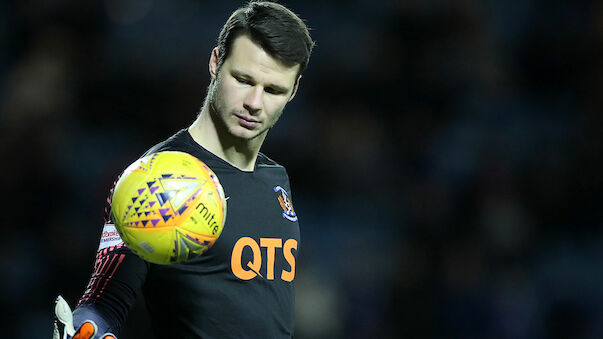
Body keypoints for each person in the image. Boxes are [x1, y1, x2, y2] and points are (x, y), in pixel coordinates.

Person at [53, 1, 314, 338]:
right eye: (243, 80)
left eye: (273, 90)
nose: (255, 102)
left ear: (293, 91)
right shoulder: (152, 179)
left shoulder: (276, 178)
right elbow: (104, 302)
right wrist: (87, 330)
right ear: (215, 62)